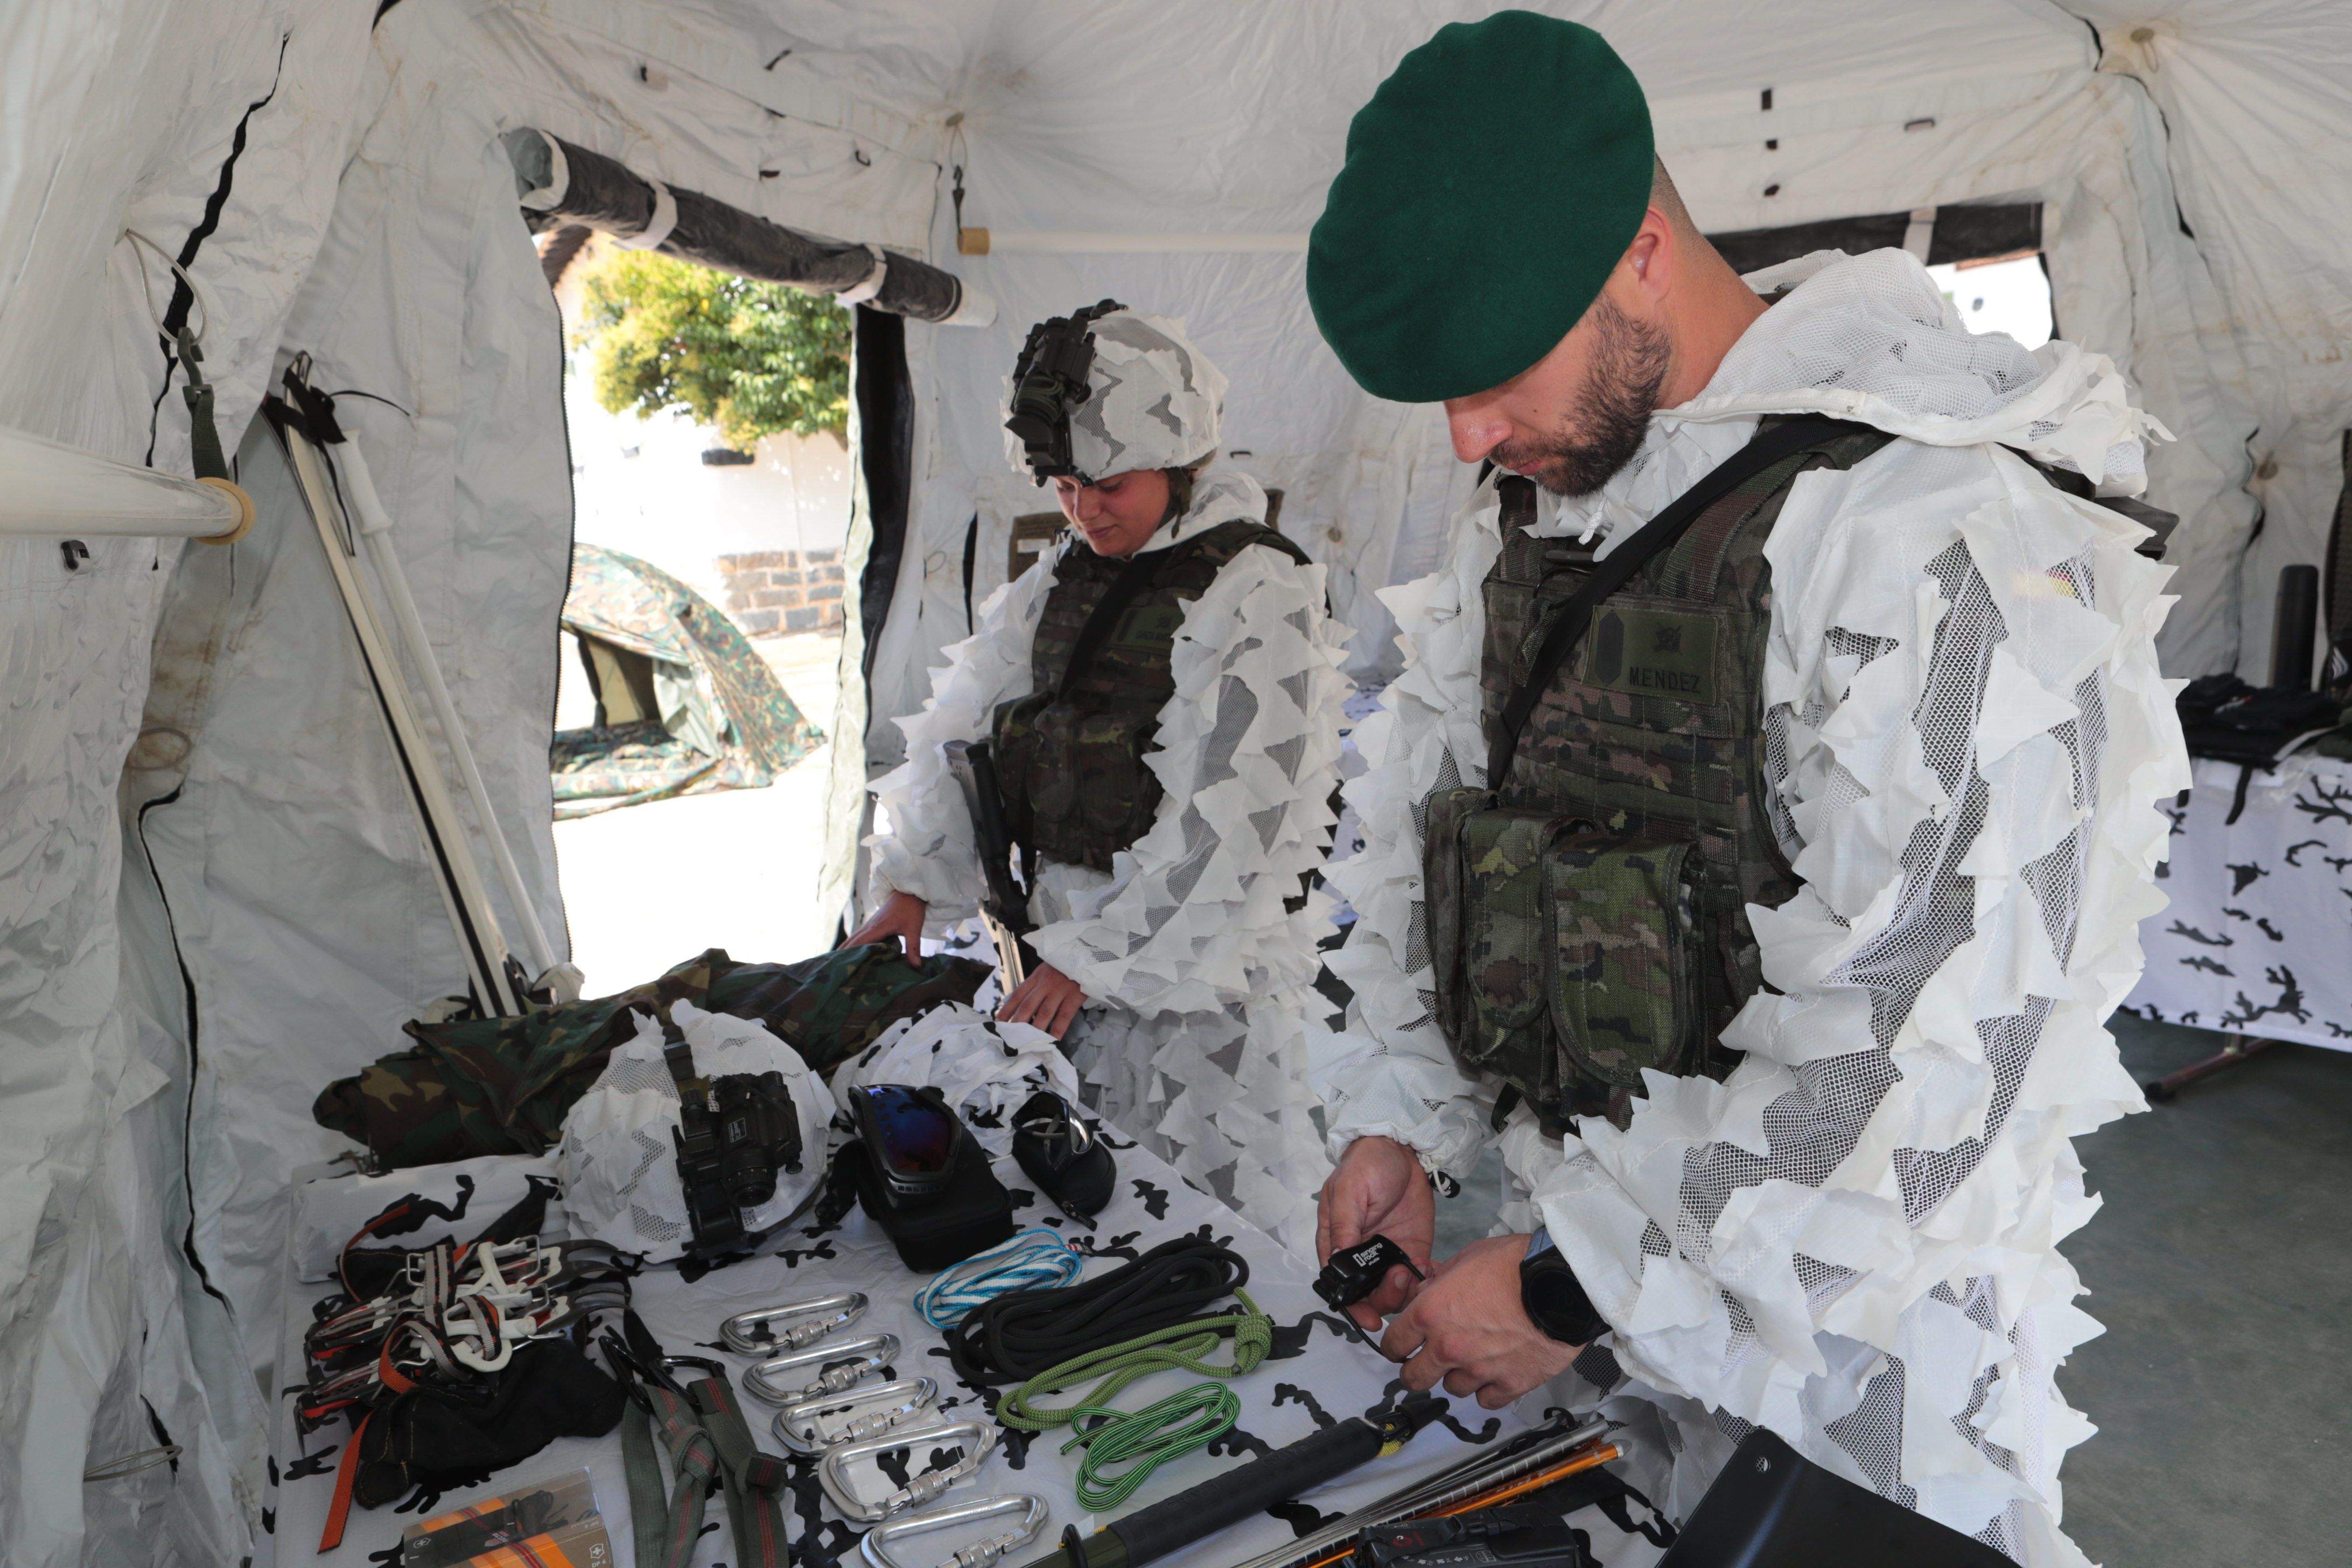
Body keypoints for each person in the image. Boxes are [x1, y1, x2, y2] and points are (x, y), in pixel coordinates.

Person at [1301, 13, 2187, 1567]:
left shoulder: (1937, 529)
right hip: (1585, 1342)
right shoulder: (1542, 506)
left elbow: (1924, 1075)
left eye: (1498, 376)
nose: (1464, 438)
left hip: (1847, 1395)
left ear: (1643, 251)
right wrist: (1403, 1124)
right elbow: (1433, 845)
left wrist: (1575, 1282)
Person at [845, 304, 1349, 1254]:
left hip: (1203, 987)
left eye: (1108, 485)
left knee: (1218, 1209)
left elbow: (1241, 824)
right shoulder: (1062, 577)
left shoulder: (1261, 584)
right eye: (1067, 485)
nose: (1084, 510)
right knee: (1089, 1202)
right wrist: (910, 882)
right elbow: (970, 725)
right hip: (1062, 956)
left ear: (1182, 462)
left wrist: (1101, 950)